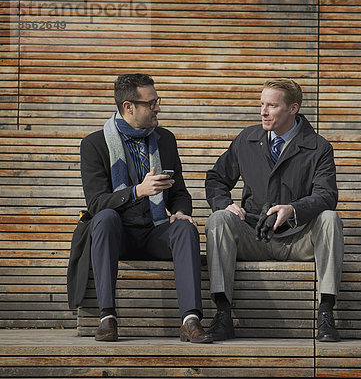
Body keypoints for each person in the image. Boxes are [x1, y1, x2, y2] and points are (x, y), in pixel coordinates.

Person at [67, 73, 212, 343]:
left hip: (155, 231)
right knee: (105, 217)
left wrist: (181, 211)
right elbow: (96, 202)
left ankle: (190, 320)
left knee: (184, 227)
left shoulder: (165, 139)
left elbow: (179, 192)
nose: (158, 107)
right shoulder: (94, 144)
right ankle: (107, 317)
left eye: (157, 101)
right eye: (151, 103)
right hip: (117, 234)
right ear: (128, 107)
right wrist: (137, 191)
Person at [204, 78, 344, 342]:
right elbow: (216, 179)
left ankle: (326, 312)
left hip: (298, 239)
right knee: (219, 219)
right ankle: (223, 313)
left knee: (329, 219)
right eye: (261, 104)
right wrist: (225, 204)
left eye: (272, 105)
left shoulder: (319, 147)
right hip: (254, 236)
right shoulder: (247, 139)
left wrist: (293, 209)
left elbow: (327, 195)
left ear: (293, 108)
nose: (263, 112)